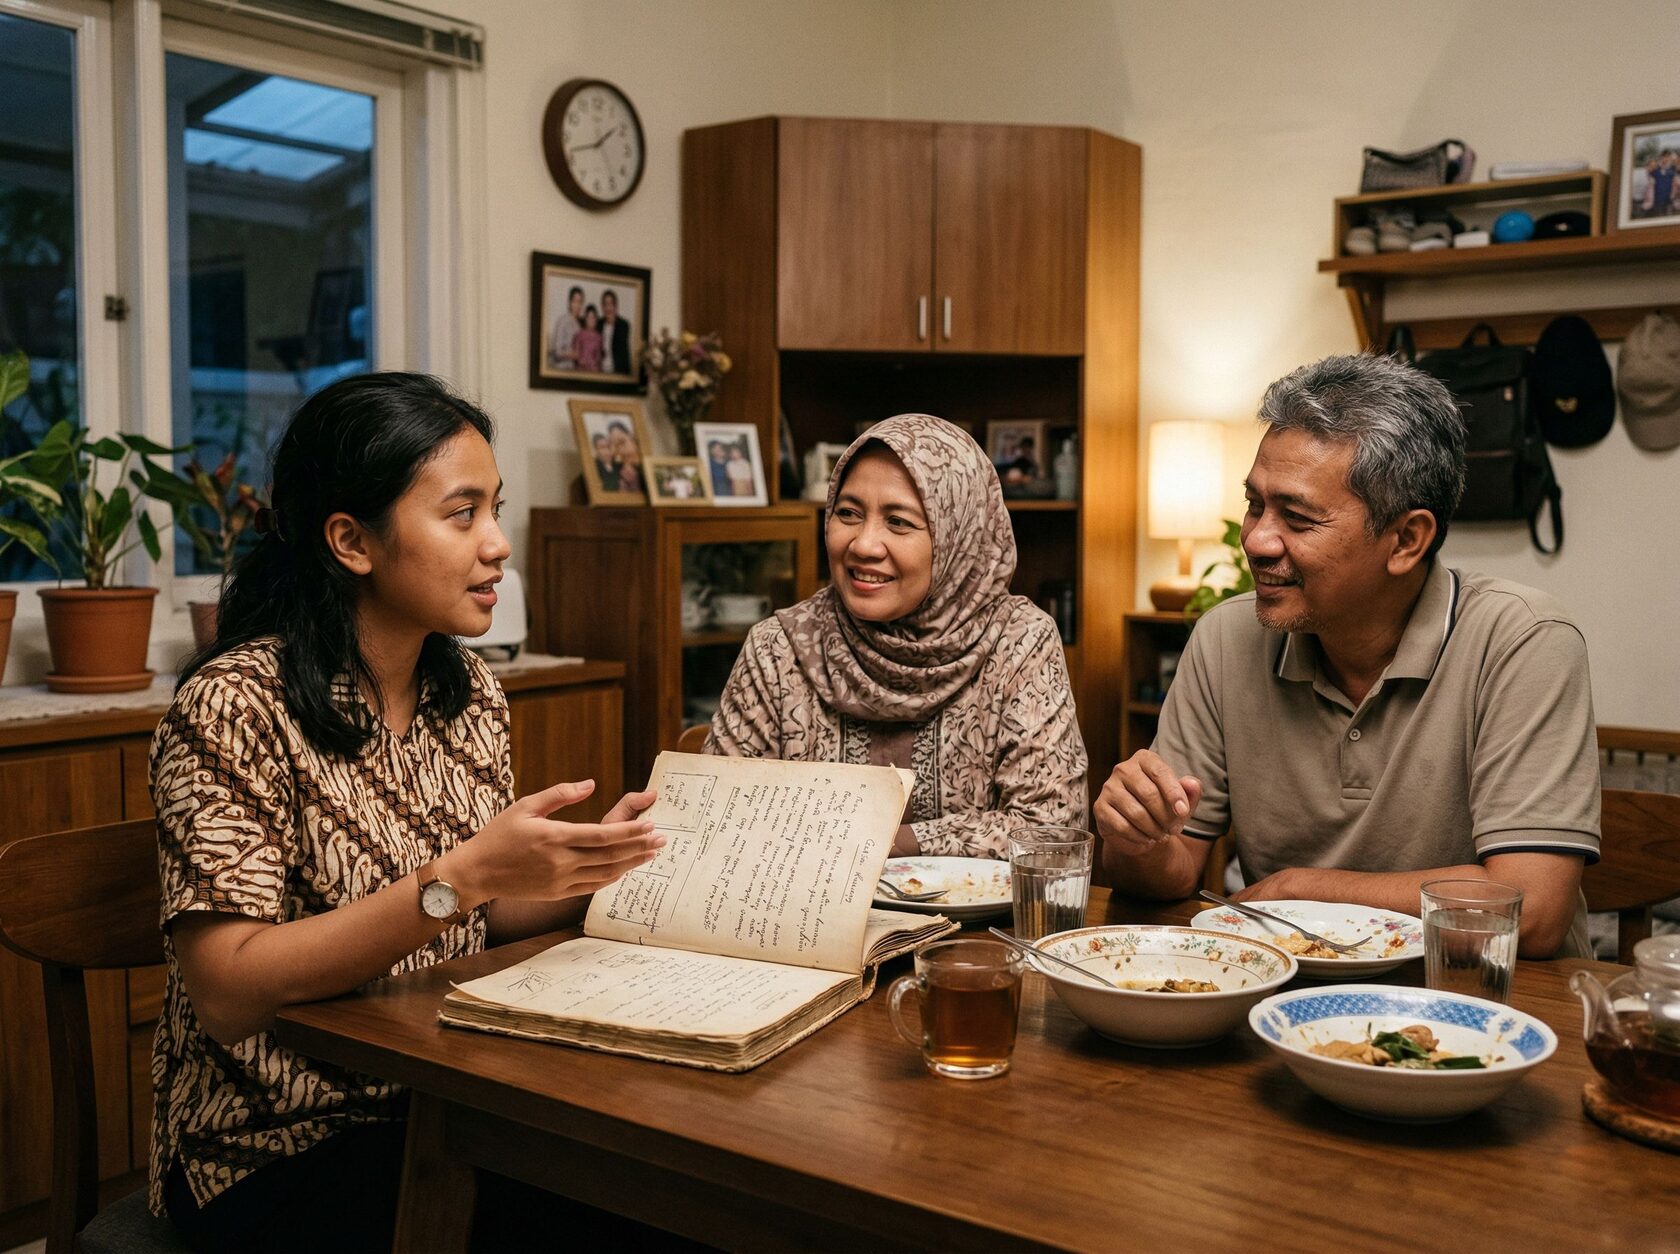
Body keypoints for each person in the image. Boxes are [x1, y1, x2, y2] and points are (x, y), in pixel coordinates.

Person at [148, 372, 665, 1250]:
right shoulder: (235, 707)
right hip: (273, 1145)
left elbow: (479, 918)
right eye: (463, 514)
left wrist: (589, 871)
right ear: (352, 541)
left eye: (495, 509)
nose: (499, 544)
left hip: (447, 1096)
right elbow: (228, 991)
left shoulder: (467, 693)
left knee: (665, 1197)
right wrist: (457, 878)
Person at [1096, 353, 1600, 958]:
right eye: (1254, 504)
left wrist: (1304, 890)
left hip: (1492, 1011)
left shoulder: (1523, 640)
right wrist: (1137, 838)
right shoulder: (1226, 638)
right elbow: (1174, 871)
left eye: (1298, 518)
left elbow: (1531, 910)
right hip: (1283, 1004)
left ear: (1407, 540)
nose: (1255, 540)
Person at [707, 413, 1087, 857]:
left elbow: (1049, 832)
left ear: (957, 538)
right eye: (848, 513)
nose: (864, 545)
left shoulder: (1019, 643)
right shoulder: (780, 646)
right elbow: (718, 815)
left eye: (900, 522)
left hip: (986, 927)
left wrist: (875, 842)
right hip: (802, 921)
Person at [547, 285, 585, 369]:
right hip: (561, 367)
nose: (578, 305)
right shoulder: (563, 321)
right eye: (575, 301)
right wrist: (575, 355)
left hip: (574, 370)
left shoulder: (579, 325)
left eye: (580, 302)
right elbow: (557, 352)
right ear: (570, 302)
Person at [599, 289, 631, 375]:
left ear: (616, 306)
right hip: (600, 371)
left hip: (617, 371)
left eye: (611, 304)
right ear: (602, 307)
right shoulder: (599, 324)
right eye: (605, 304)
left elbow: (624, 353)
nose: (608, 308)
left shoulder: (623, 325)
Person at [608, 419, 643, 494]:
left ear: (631, 437)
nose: (621, 451)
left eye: (622, 442)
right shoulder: (621, 473)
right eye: (616, 446)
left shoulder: (648, 464)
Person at [574, 305, 604, 372]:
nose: (591, 320)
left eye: (593, 317)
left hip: (595, 370)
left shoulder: (599, 337)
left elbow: (598, 357)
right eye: (589, 317)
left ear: (596, 319)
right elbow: (576, 355)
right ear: (585, 319)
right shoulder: (579, 335)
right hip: (580, 370)